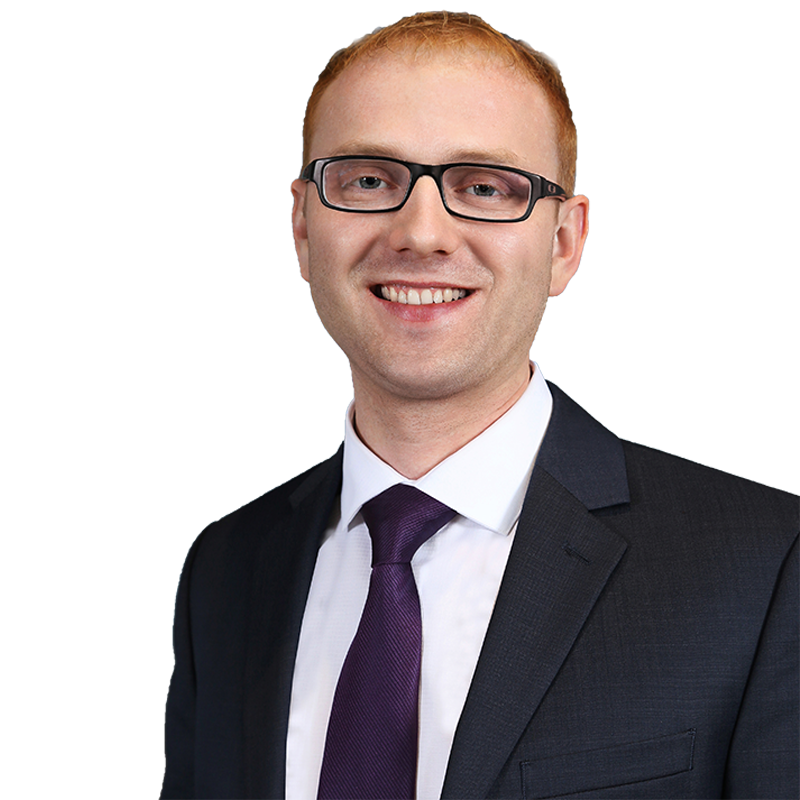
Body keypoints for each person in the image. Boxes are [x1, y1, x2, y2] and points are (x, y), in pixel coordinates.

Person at [162, 12, 800, 800]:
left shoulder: (766, 566)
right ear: (303, 227)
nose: (422, 233)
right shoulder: (225, 568)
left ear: (564, 244)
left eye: (485, 187)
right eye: (369, 180)